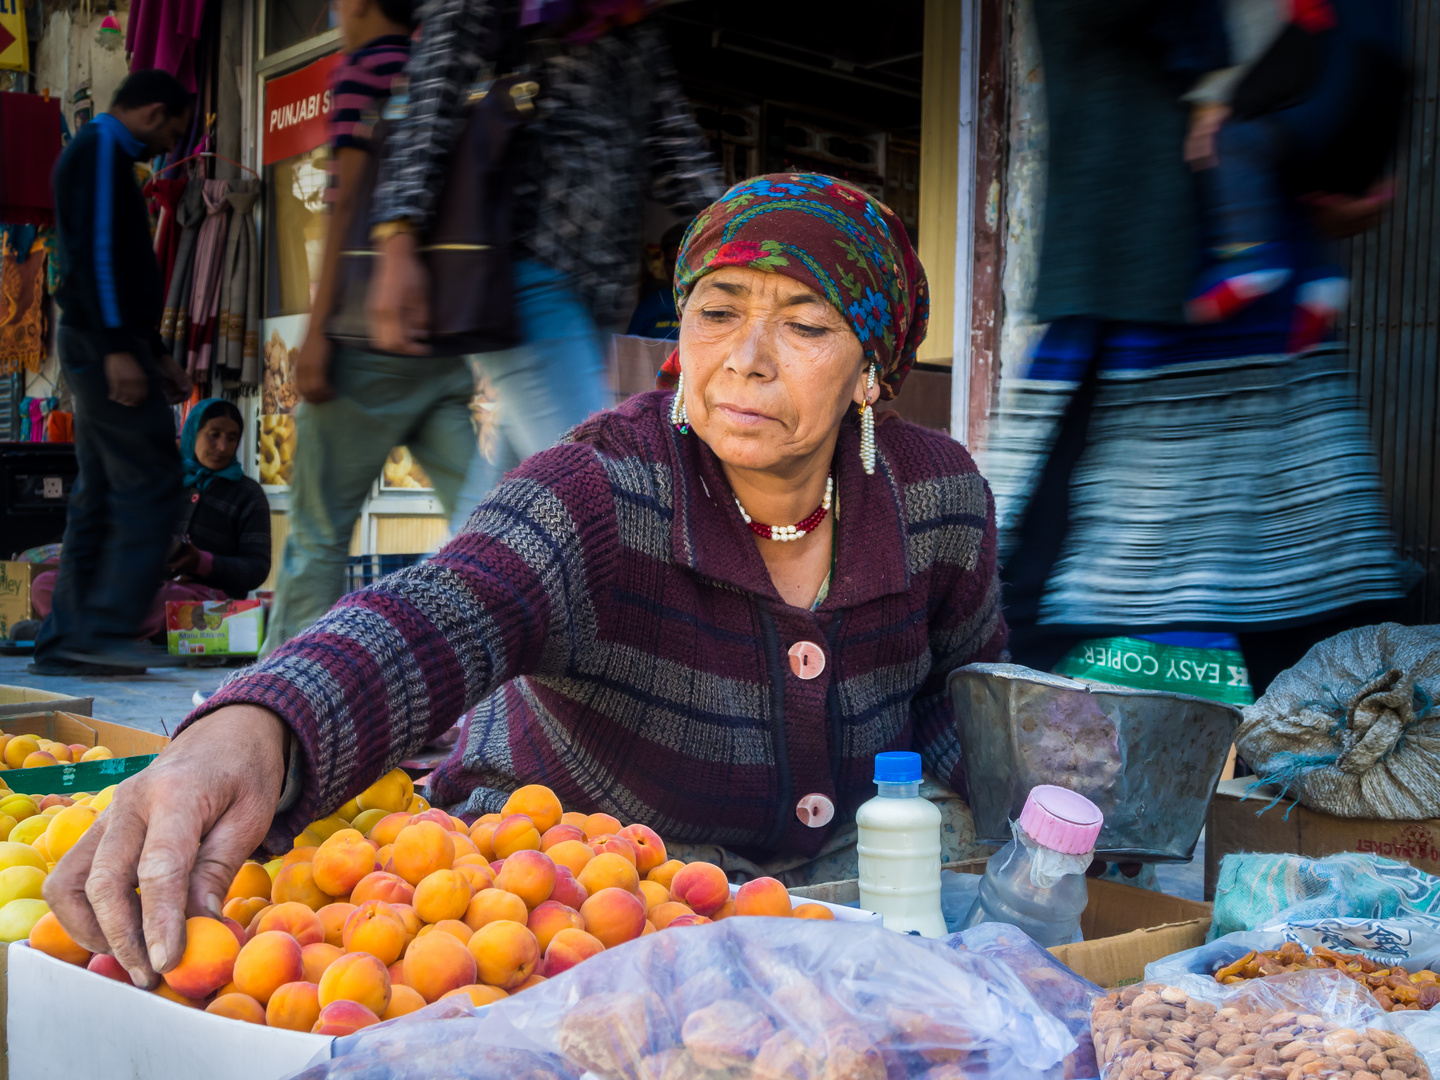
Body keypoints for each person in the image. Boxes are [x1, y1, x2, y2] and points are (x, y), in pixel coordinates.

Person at [46, 175, 1006, 987]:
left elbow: (970, 699)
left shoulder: (939, 497)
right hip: (557, 909)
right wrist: (259, 729)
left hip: (832, 899)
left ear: (872, 372)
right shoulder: (598, 485)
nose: (743, 362)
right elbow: (439, 611)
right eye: (717, 314)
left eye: (803, 326)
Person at [989, 0, 1408, 696]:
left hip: (1179, 278)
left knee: (1040, 594)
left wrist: (1269, 116)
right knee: (1294, 590)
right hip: (1171, 276)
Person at [354, 0, 722, 534]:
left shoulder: (633, 18)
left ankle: (433, 612)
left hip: (597, 294)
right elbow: (433, 90)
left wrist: (754, 229)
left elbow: (673, 142)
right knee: (601, 496)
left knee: (498, 515)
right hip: (520, 272)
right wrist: (398, 232)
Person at [262, 0, 479, 654]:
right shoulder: (440, 71)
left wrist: (318, 327)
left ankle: (276, 708)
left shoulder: (365, 71)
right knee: (486, 521)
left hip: (366, 341)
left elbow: (347, 203)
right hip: (440, 342)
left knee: (319, 534)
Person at [31, 70, 195, 677]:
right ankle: (101, 629)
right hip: (103, 345)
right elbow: (97, 258)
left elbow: (118, 268)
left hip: (107, 342)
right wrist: (120, 350)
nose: (163, 148)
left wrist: (151, 350)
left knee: (98, 493)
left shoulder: (99, 154)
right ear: (153, 112)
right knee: (151, 481)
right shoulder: (100, 152)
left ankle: (67, 638)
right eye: (169, 132)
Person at [1183, 0, 1404, 326]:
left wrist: (1226, 105)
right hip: (1372, 97)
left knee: (1238, 140)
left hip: (1320, 72)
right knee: (1302, 181)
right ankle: (1321, 277)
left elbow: (1285, 50)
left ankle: (1249, 258)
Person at [30, 399, 272, 639]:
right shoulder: (161, 482)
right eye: (214, 435)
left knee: (171, 602)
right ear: (192, 433)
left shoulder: (248, 495)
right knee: (46, 583)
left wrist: (200, 561)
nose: (222, 447)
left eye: (232, 438)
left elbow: (256, 569)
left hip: (202, 598)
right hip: (139, 584)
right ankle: (93, 631)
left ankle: (70, 630)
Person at [624, 220, 689, 339]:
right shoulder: (650, 304)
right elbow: (629, 348)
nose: (677, 271)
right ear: (663, 263)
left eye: (683, 264)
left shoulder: (710, 305)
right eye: (671, 263)